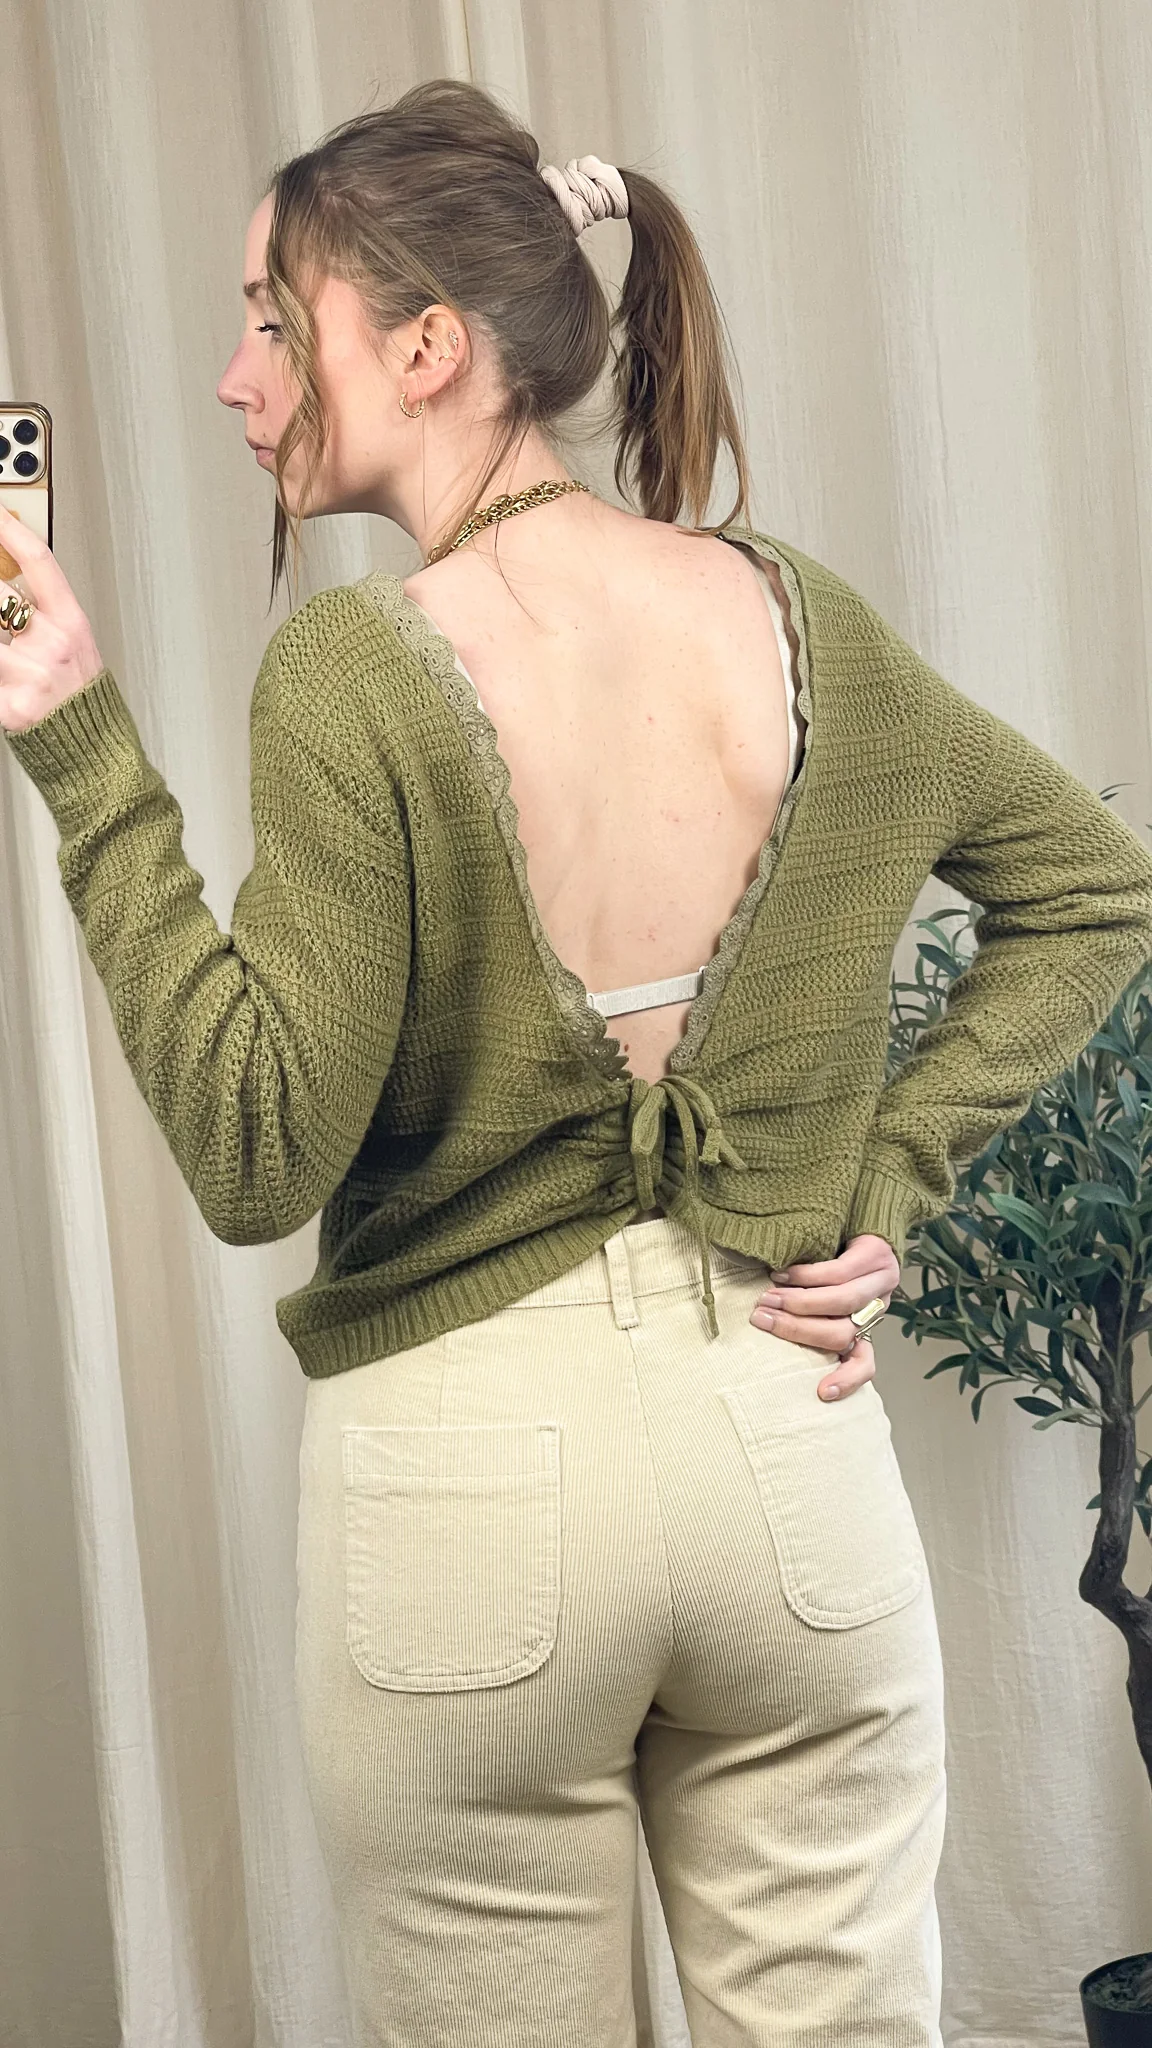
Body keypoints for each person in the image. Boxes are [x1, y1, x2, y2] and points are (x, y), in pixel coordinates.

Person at [4, 76, 1152, 2048]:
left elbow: (257, 1152)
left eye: (273, 320)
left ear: (428, 348)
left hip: (472, 1503)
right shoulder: (796, 621)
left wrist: (79, 744)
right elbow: (1097, 891)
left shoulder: (356, 673)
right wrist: (878, 1183)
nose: (233, 378)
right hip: (789, 1460)